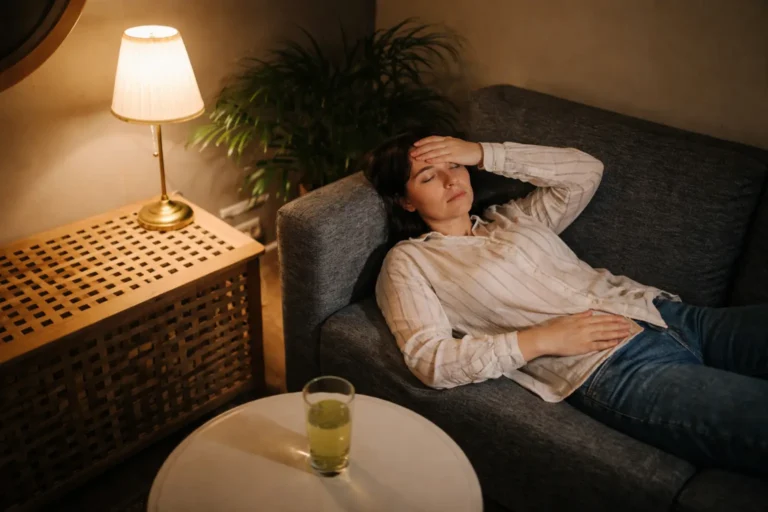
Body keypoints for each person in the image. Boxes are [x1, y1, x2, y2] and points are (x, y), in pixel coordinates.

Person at [364, 131, 768, 476]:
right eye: (429, 176)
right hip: (615, 368)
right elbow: (430, 360)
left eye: (455, 166)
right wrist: (540, 340)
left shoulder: (513, 218)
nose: (451, 180)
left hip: (669, 315)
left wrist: (481, 152)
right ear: (406, 201)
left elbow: (585, 172)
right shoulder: (411, 261)